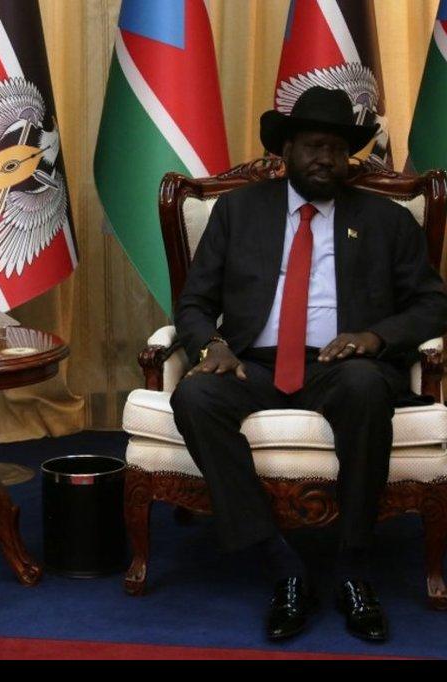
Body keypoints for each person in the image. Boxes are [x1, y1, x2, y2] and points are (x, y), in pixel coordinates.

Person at [171, 86, 447, 643]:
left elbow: (432, 302)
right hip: (253, 363)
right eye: (315, 146)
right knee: (195, 396)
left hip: (342, 365)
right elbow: (194, 302)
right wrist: (212, 348)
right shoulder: (238, 211)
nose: (326, 158)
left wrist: (374, 336)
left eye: (338, 149)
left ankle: (352, 569)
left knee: (367, 388)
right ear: (287, 151)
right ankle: (281, 565)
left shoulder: (386, 220)